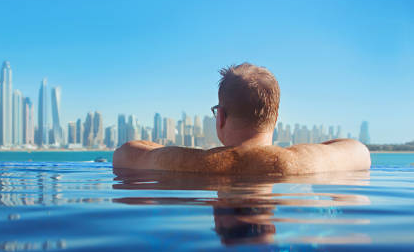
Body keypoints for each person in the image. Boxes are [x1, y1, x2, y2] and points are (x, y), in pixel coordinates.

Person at [113, 63, 371, 175]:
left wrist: (175, 153)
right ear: (275, 117)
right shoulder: (303, 161)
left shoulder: (187, 162)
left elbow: (124, 153)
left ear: (221, 116)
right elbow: (360, 152)